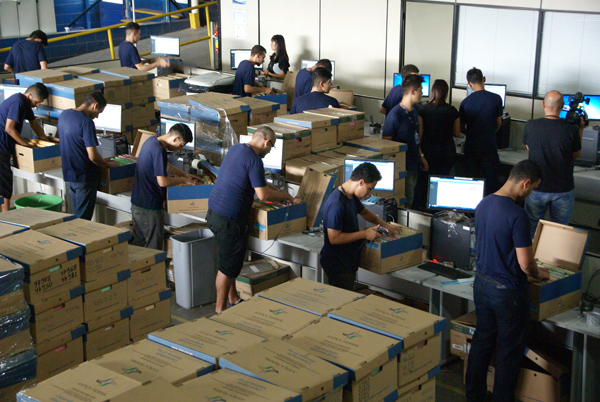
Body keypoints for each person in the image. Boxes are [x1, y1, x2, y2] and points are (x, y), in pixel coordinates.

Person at [466, 159, 549, 402]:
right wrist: (538, 273)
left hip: (482, 286)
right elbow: (525, 264)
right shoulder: (517, 215)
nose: (531, 193)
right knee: (508, 352)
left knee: (482, 344)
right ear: (525, 183)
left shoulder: (483, 203)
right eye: (533, 188)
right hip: (508, 294)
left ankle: (474, 396)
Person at [207, 127, 292, 313]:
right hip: (229, 221)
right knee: (227, 268)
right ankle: (220, 311)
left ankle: (233, 298)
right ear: (266, 142)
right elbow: (262, 195)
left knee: (230, 262)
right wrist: (286, 196)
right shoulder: (254, 160)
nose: (269, 151)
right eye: (271, 147)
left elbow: (260, 183)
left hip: (214, 214)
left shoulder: (237, 149)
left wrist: (279, 193)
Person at [320, 162, 398, 290]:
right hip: (338, 265)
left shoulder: (350, 195)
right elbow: (334, 238)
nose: (370, 193)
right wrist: (364, 233)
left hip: (348, 260)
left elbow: (365, 212)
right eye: (370, 188)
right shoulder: (337, 204)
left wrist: (386, 225)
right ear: (361, 182)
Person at [523, 90, 583, 237]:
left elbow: (529, 149)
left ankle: (532, 252)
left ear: (543, 104)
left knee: (532, 229)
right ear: (562, 106)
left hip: (536, 186)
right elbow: (575, 155)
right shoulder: (571, 129)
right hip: (563, 188)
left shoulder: (530, 125)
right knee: (559, 231)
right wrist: (580, 129)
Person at [131, 123, 198, 250]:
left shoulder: (151, 141)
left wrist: (183, 173)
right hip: (149, 207)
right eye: (181, 145)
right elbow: (163, 182)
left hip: (137, 203)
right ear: (175, 139)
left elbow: (163, 166)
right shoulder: (159, 150)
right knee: (153, 248)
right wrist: (183, 180)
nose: (179, 149)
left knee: (139, 247)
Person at [58, 91, 120, 220]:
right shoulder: (86, 122)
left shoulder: (64, 114)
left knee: (77, 214)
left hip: (69, 174)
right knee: (83, 220)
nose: (97, 117)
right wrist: (108, 165)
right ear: (95, 105)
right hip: (84, 177)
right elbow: (93, 156)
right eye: (99, 112)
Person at [0, 83, 50, 212]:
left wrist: (46, 142)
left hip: (6, 145)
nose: (38, 105)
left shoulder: (25, 103)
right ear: (29, 95)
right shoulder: (18, 102)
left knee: (5, 182)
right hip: (1, 147)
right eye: (37, 102)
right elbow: (9, 129)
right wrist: (26, 146)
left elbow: (35, 125)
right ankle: (6, 217)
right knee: (5, 184)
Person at [413, 79, 460, 209]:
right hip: (446, 152)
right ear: (446, 93)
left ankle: (421, 209)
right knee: (442, 183)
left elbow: (420, 134)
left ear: (432, 91)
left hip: (428, 151)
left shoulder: (423, 110)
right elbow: (457, 133)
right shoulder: (452, 110)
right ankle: (438, 210)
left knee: (423, 182)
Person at [382, 74, 427, 208]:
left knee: (411, 200)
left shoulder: (414, 111)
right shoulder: (395, 115)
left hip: (413, 164)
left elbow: (414, 137)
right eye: (420, 90)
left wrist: (421, 156)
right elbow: (386, 145)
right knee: (404, 204)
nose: (422, 93)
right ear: (412, 91)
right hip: (402, 168)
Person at [459, 67, 503, 196]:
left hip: (471, 150)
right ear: (484, 79)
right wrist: (490, 133)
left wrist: (470, 133)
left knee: (471, 185)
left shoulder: (465, 102)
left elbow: (461, 127)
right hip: (489, 149)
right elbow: (498, 124)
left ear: (469, 83)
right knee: (490, 185)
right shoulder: (496, 99)